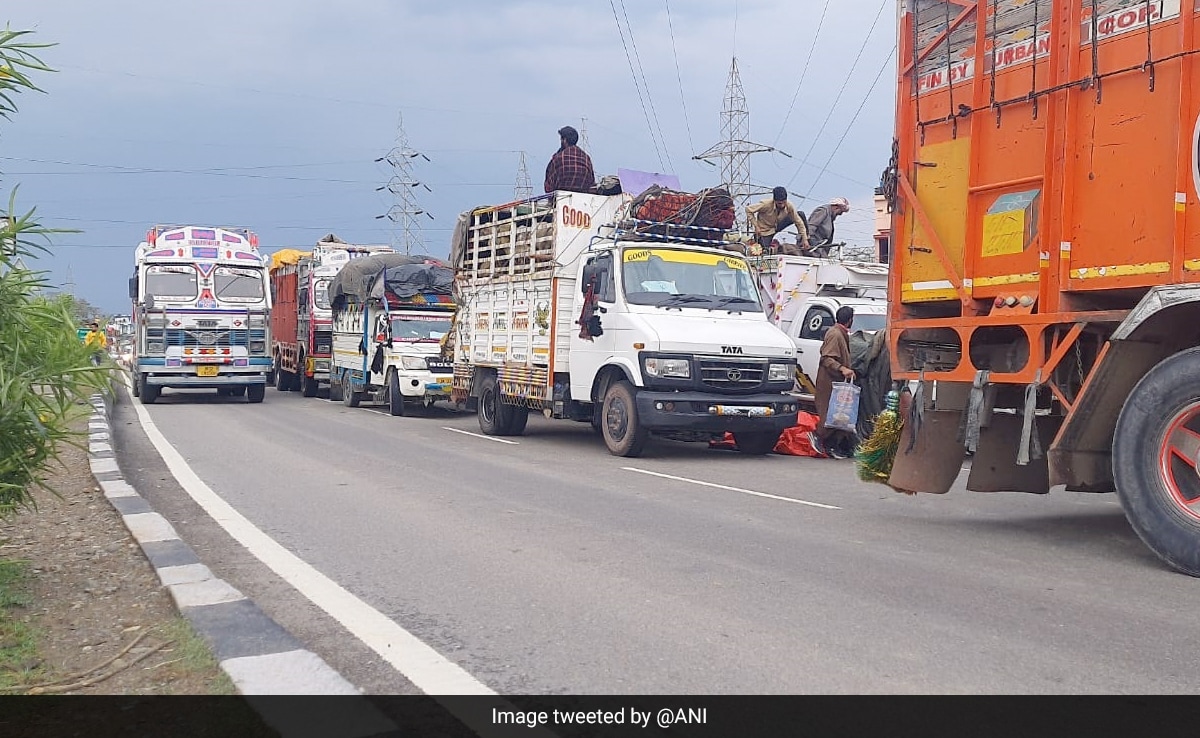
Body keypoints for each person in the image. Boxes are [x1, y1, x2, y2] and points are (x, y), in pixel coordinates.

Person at [812, 306, 856, 459]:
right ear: (850, 319)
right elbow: (826, 358)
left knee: (839, 416)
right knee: (829, 416)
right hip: (829, 382)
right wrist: (842, 368)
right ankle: (817, 437)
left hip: (837, 383)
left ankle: (832, 447)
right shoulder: (835, 334)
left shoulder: (841, 333)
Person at [746, 186, 810, 255]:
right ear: (775, 200)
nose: (782, 205)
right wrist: (756, 226)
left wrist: (805, 239)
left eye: (784, 202)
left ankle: (806, 240)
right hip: (765, 231)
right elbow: (748, 210)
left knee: (800, 214)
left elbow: (798, 222)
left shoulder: (789, 206)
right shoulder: (766, 204)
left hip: (778, 225)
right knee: (765, 252)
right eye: (779, 203)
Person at [544, 125, 595, 194]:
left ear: (564, 140)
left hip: (561, 199)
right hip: (584, 200)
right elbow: (592, 182)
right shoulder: (586, 158)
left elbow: (548, 186)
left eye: (561, 139)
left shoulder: (559, 158)